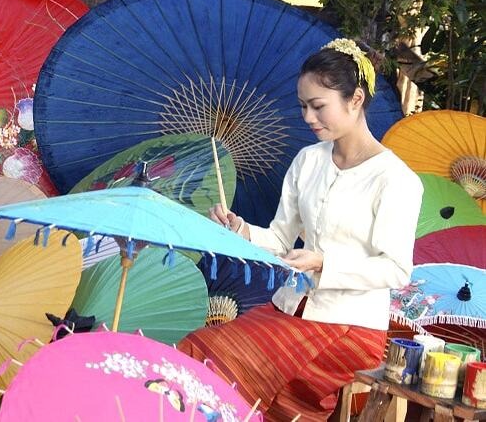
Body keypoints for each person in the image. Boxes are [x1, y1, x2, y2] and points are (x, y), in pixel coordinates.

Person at [177, 39, 423, 421]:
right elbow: (278, 238)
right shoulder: (308, 160)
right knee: (197, 348)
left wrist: (325, 262)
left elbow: (395, 269)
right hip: (292, 307)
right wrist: (239, 229)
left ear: (355, 99)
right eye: (303, 106)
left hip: (350, 325)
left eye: (318, 106)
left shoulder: (395, 180)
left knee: (223, 362)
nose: (308, 117)